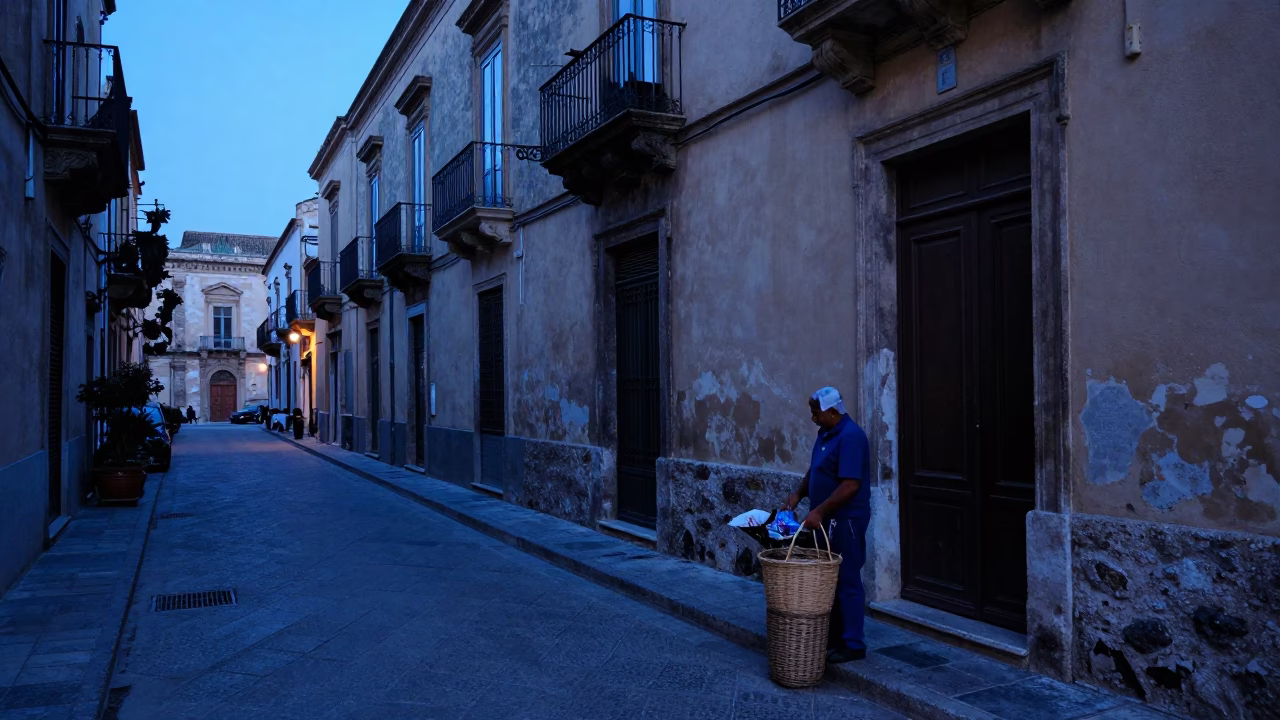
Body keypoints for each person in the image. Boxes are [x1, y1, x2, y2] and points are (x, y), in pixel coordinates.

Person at [782, 386, 871, 664]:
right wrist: (798, 494)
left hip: (845, 521)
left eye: (816, 413)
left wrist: (819, 511)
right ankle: (834, 636)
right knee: (828, 580)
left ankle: (853, 643)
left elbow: (850, 485)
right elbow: (817, 468)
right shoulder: (825, 433)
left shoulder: (851, 438)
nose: (813, 418)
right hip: (825, 521)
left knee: (847, 579)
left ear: (833, 412)